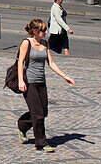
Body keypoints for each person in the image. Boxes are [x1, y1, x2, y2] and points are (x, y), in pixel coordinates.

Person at [17, 18, 74, 152]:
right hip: (29, 82)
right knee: (38, 115)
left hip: (41, 82)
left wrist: (65, 76)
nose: (46, 32)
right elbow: (20, 62)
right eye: (43, 30)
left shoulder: (45, 43)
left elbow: (51, 63)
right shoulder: (27, 43)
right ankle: (41, 143)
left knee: (43, 112)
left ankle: (22, 125)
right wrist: (21, 80)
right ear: (35, 31)